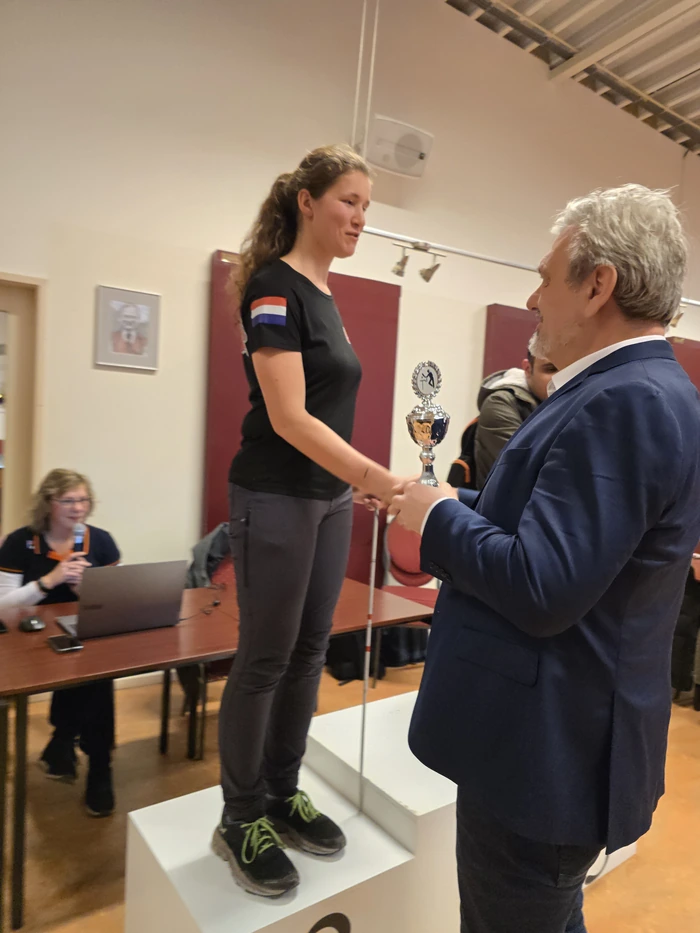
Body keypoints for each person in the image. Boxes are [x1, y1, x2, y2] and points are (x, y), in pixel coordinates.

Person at [391, 184, 700, 933]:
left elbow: (544, 583)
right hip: (547, 746)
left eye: (545, 275)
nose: (532, 298)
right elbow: (565, 545)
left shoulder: (623, 399)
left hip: (542, 753)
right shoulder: (630, 390)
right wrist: (463, 509)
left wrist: (435, 519)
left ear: (599, 285)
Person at [214, 145, 404, 898]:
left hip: (327, 500)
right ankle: (240, 816)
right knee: (264, 657)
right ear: (307, 202)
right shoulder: (271, 288)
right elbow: (289, 416)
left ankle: (282, 790)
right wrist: (375, 476)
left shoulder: (326, 294)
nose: (361, 218)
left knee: (308, 652)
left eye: (367, 207)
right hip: (275, 495)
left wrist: (350, 483)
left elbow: (323, 408)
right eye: (350, 201)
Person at [0, 469, 120, 816]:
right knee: (89, 674)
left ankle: (92, 759)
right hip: (28, 640)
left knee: (95, 672)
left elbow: (118, 595)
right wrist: (48, 581)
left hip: (80, 636)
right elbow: (4, 606)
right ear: (49, 503)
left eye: (83, 500)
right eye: (67, 500)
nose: (77, 508)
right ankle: (73, 749)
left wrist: (91, 590)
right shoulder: (20, 542)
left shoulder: (100, 541)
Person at [473, 344, 557, 487]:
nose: (559, 378)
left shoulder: (570, 400)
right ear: (527, 369)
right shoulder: (501, 402)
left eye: (568, 370)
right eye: (550, 369)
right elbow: (526, 472)